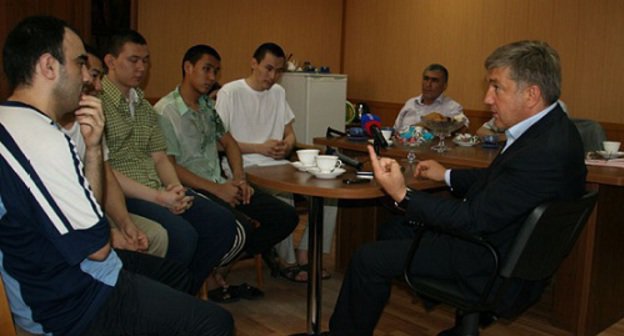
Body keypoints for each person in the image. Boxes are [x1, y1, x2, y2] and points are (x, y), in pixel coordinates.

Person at [328, 40, 587, 335]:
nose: (488, 98)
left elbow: (473, 219)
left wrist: (404, 194)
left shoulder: (541, 152)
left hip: (486, 261)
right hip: (509, 252)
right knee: (394, 231)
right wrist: (447, 175)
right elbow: (500, 181)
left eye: (496, 87)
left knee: (366, 258)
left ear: (531, 94)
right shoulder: (555, 132)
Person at [0, 16, 232, 335]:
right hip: (74, 301)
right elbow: (96, 246)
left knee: (177, 276)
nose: (86, 76)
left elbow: (87, 213)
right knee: (216, 323)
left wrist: (93, 149)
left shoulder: (12, 121)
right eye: (80, 63)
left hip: (69, 271)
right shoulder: (43, 141)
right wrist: (119, 227)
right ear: (48, 66)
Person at [100, 29, 240, 293]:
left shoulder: (141, 105)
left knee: (221, 222)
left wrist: (176, 189)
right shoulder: (97, 103)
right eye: (133, 60)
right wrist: (159, 196)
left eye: (145, 60)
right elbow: (105, 171)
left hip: (156, 188)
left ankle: (182, 290)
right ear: (110, 61)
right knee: (182, 236)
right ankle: (163, 297)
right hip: (123, 192)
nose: (141, 67)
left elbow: (161, 157)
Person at [154, 44, 298, 298]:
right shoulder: (166, 111)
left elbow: (229, 142)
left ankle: (218, 265)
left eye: (216, 72)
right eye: (206, 70)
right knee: (239, 226)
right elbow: (171, 166)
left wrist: (239, 179)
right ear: (188, 68)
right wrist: (217, 189)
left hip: (220, 182)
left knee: (285, 216)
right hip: (190, 188)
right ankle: (196, 284)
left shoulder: (207, 107)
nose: (212, 78)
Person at [215, 42, 335, 282]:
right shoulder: (230, 92)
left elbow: (290, 133)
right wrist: (260, 148)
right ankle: (287, 263)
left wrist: (287, 145)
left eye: (278, 71)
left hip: (278, 166)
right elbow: (219, 143)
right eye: (268, 69)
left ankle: (306, 253)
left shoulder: (278, 93)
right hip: (245, 167)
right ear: (253, 63)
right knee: (285, 198)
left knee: (330, 194)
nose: (272, 76)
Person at [58, 46, 168, 257]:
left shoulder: (90, 119)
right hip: (78, 226)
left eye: (145, 61)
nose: (98, 86)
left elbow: (105, 174)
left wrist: (125, 224)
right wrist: (108, 232)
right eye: (93, 75)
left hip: (97, 208)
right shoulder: (43, 130)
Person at [393, 63, 467, 130]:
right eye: (426, 79)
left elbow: (464, 128)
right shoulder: (410, 103)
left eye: (434, 80)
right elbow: (395, 131)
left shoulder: (453, 107)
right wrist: (423, 124)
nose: (428, 84)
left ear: (445, 86)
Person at [477, 99, 569, 141]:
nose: (488, 99)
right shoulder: (511, 106)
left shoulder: (556, 108)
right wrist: (504, 137)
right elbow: (481, 131)